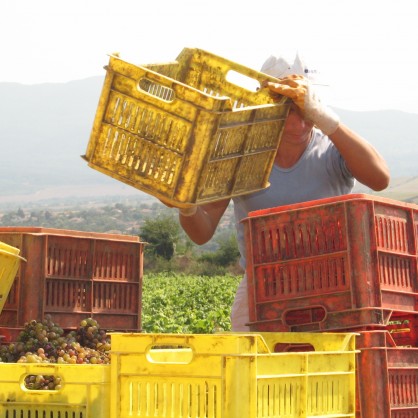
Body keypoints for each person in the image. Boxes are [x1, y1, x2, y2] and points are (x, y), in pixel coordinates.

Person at [174, 52, 390, 331]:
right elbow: (201, 232)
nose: (299, 121)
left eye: (305, 107)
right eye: (287, 107)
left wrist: (329, 121)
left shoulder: (333, 147)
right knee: (253, 366)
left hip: (336, 284)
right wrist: (185, 205)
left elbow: (380, 178)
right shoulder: (241, 155)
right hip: (264, 289)